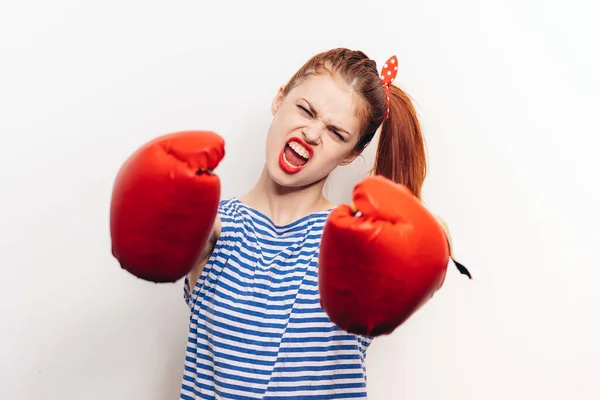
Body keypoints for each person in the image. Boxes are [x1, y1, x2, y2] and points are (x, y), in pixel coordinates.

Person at [179, 48, 429, 399]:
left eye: (336, 133)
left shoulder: (355, 241)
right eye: (306, 110)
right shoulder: (216, 225)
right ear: (280, 98)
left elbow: (426, 249)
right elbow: (187, 236)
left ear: (351, 155)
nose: (312, 134)